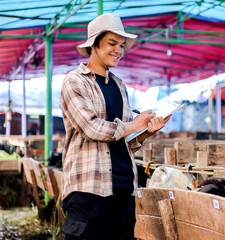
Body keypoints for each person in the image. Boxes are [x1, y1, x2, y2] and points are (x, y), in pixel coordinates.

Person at [59, 13, 170, 240]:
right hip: (88, 188)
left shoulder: (119, 86)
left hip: (123, 188)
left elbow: (120, 140)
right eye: (112, 44)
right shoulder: (75, 81)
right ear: (94, 44)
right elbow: (90, 128)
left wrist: (145, 133)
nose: (118, 51)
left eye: (121, 46)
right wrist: (133, 125)